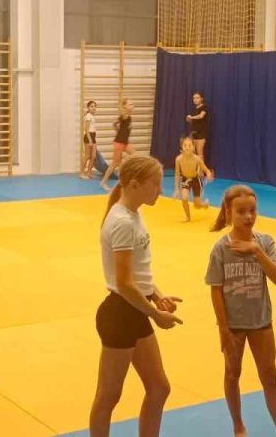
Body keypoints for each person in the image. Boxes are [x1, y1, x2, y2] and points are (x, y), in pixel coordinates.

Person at [89, 155, 182, 437]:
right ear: (134, 185)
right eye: (155, 184)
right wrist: (156, 315)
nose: (160, 190)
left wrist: (157, 295)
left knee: (159, 387)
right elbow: (124, 283)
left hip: (135, 309)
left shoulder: (134, 215)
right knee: (108, 396)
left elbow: (139, 273)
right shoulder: (122, 222)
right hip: (120, 314)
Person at [207, 184, 276, 437]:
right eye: (241, 211)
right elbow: (216, 289)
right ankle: (238, 426)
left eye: (252, 210)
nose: (248, 217)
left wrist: (255, 250)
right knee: (232, 374)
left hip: (261, 322)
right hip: (233, 325)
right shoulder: (221, 249)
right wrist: (223, 329)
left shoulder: (265, 242)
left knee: (270, 377)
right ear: (228, 213)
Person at [173, 136, 213, 222]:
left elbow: (206, 169)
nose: (187, 147)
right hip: (186, 180)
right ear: (181, 147)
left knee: (196, 205)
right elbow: (177, 174)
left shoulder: (197, 159)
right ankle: (188, 217)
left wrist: (208, 174)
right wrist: (176, 189)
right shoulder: (178, 159)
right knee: (184, 198)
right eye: (185, 145)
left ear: (193, 147)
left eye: (189, 145)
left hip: (196, 180)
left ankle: (204, 205)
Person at [100, 98, 134, 191]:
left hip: (125, 142)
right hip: (119, 143)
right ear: (125, 106)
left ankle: (122, 178)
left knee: (135, 156)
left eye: (132, 104)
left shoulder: (129, 116)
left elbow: (114, 123)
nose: (132, 106)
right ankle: (103, 182)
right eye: (130, 104)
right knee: (115, 163)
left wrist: (118, 130)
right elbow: (116, 122)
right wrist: (122, 107)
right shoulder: (124, 115)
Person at [186, 91, 209, 162]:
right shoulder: (193, 109)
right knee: (193, 153)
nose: (195, 100)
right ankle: (195, 168)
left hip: (201, 133)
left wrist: (191, 117)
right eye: (194, 98)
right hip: (194, 133)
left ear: (201, 99)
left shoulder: (204, 107)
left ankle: (201, 169)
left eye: (197, 98)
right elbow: (192, 122)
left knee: (200, 153)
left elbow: (201, 116)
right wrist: (188, 119)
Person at [80, 100, 98, 180]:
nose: (93, 108)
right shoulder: (88, 116)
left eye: (94, 106)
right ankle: (81, 173)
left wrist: (93, 139)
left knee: (93, 156)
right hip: (88, 136)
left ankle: (89, 172)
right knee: (87, 156)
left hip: (93, 136)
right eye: (91, 106)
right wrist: (90, 140)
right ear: (88, 107)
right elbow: (86, 130)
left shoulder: (92, 116)